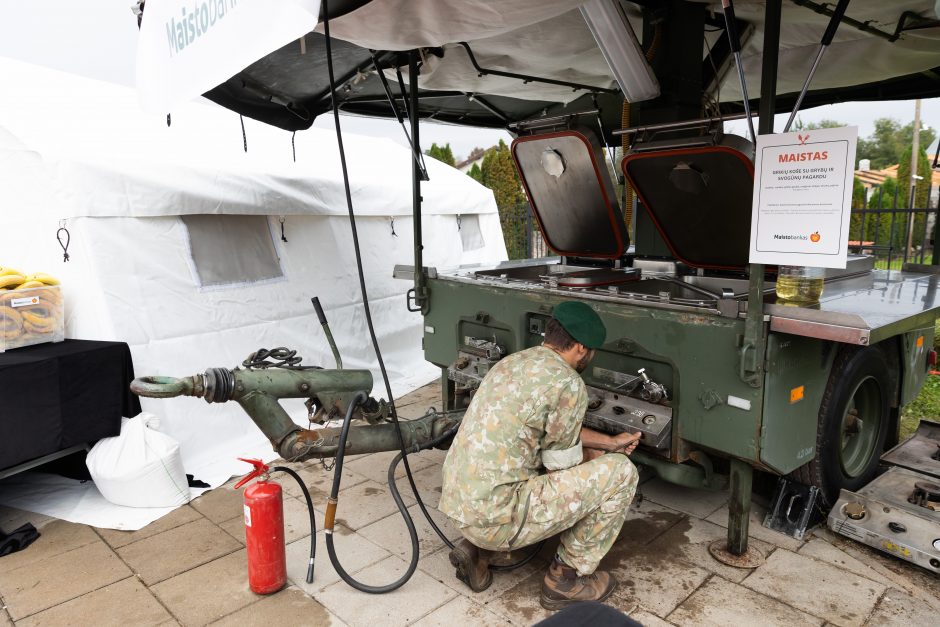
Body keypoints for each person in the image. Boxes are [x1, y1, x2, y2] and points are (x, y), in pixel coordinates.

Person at [439, 301, 640, 610]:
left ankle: (477, 550)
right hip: (494, 516)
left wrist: (609, 442)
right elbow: (561, 467)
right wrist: (600, 457)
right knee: (622, 473)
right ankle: (565, 580)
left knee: (526, 468)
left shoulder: (513, 362)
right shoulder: (568, 383)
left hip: (458, 502)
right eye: (592, 352)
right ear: (582, 348)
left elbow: (546, 431)